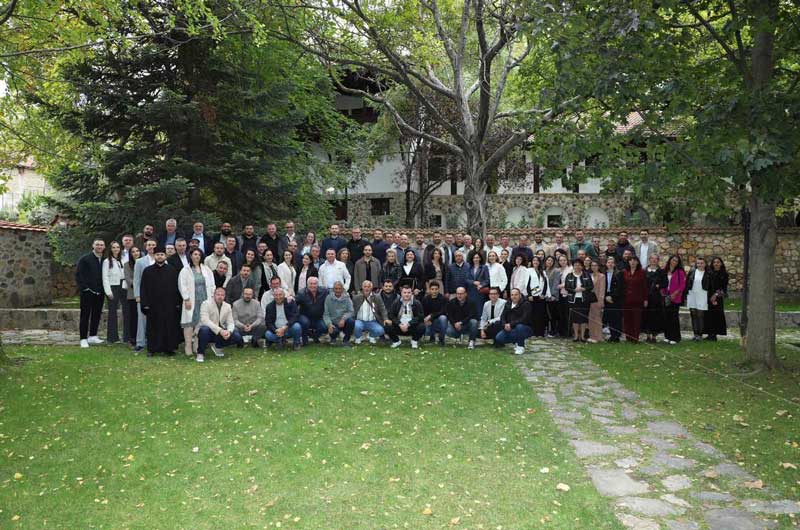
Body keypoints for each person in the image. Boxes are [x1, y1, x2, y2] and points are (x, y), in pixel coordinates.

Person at [139, 245, 182, 356]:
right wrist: (145, 304)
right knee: (153, 327)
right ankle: (152, 349)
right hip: (153, 305)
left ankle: (169, 348)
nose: (160, 256)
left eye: (162, 254)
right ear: (154, 256)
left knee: (169, 326)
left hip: (169, 304)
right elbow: (143, 288)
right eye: (157, 254)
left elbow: (177, 288)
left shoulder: (172, 270)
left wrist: (177, 303)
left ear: (165, 256)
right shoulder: (148, 271)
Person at [178, 248, 216, 356]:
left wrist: (212, 297)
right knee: (189, 323)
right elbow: (182, 285)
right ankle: (188, 345)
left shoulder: (206, 269)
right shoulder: (186, 270)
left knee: (201, 322)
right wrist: (186, 299)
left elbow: (212, 284)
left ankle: (197, 345)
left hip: (204, 299)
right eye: (195, 254)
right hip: (191, 300)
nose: (197, 256)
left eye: (199, 254)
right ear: (191, 256)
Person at [196, 287, 243, 362]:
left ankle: (217, 346)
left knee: (236, 335)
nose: (220, 297)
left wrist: (229, 331)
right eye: (218, 294)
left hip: (220, 332)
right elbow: (205, 320)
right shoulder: (205, 304)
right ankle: (200, 353)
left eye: (222, 295)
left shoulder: (227, 306)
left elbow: (230, 322)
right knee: (204, 329)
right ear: (214, 295)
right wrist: (220, 330)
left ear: (224, 296)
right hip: (208, 330)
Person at [76, 239, 107, 348]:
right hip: (87, 292)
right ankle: (83, 339)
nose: (99, 246)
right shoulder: (85, 259)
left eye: (101, 245)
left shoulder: (105, 260)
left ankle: (93, 336)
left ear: (104, 247)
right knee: (85, 315)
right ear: (93, 246)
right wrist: (85, 289)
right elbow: (79, 275)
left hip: (100, 292)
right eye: (97, 244)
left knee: (96, 314)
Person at [133, 239, 156, 352]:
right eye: (149, 245)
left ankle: (155, 341)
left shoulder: (162, 260)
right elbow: (136, 280)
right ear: (146, 247)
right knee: (142, 319)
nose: (151, 247)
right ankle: (140, 342)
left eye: (153, 245)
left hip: (158, 295)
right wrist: (137, 295)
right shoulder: (140, 262)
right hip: (144, 295)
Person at [494, 288, 532, 355]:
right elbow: (502, 316)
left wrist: (511, 324)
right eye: (512, 295)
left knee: (519, 327)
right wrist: (505, 325)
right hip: (511, 328)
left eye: (516, 295)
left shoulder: (526, 304)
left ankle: (520, 346)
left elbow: (524, 319)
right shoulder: (508, 303)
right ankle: (517, 341)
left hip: (525, 328)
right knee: (499, 338)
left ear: (520, 295)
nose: (514, 296)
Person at [564, 258, 594, 343]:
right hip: (573, 300)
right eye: (575, 265)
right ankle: (576, 336)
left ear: (582, 266)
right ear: (573, 266)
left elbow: (591, 286)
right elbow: (566, 287)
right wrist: (574, 290)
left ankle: (583, 336)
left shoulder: (586, 275)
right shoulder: (569, 276)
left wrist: (584, 289)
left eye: (579, 265)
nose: (577, 267)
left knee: (584, 318)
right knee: (575, 319)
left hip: (584, 299)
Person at [102, 241, 125, 344]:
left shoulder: (122, 260)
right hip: (112, 287)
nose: (116, 249)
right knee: (112, 312)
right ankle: (112, 337)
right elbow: (105, 277)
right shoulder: (107, 261)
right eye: (114, 247)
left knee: (125, 311)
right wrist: (108, 291)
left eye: (118, 247)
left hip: (122, 286)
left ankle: (126, 336)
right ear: (110, 249)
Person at [351, 280, 389, 345]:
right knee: (356, 326)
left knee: (381, 330)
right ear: (362, 287)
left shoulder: (377, 297)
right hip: (359, 321)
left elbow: (382, 309)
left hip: (372, 321)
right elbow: (352, 309)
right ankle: (358, 337)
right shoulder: (356, 297)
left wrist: (385, 319)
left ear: (371, 288)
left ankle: (371, 336)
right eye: (365, 286)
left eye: (368, 287)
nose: (366, 288)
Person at [622, 255, 648, 343]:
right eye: (630, 260)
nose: (632, 262)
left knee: (636, 319)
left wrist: (645, 299)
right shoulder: (624, 272)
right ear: (628, 262)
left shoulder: (642, 272)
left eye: (634, 260)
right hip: (626, 300)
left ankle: (635, 337)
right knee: (627, 319)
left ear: (637, 262)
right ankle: (628, 337)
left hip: (638, 300)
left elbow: (644, 286)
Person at [296, 277, 328, 344]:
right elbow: (294, 304)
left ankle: (315, 336)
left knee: (324, 327)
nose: (313, 286)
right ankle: (304, 338)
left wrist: (344, 293)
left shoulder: (324, 291)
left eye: (315, 284)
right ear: (307, 284)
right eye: (311, 284)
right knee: (305, 322)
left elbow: (333, 294)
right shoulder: (301, 293)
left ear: (318, 284)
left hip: (318, 317)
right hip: (305, 316)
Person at [643, 254, 667, 343]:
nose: (654, 260)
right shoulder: (644, 271)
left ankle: (654, 336)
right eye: (652, 258)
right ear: (649, 260)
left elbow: (665, 283)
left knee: (655, 317)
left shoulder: (661, 272)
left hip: (656, 297)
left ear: (658, 260)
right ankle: (647, 336)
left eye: (656, 259)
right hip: (646, 297)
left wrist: (659, 285)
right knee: (646, 316)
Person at [662, 255, 686, 344]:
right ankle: (667, 336)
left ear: (678, 263)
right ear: (670, 260)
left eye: (676, 261)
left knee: (674, 318)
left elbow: (683, 285)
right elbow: (662, 282)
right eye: (673, 260)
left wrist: (675, 293)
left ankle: (675, 337)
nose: (674, 262)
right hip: (666, 296)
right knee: (666, 317)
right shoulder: (665, 270)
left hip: (675, 297)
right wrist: (662, 293)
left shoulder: (680, 272)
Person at [685, 257, 710, 341]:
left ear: (705, 264)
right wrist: (686, 293)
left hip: (702, 295)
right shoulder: (692, 271)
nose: (699, 265)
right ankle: (695, 334)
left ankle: (700, 334)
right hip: (692, 294)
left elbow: (710, 285)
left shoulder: (708, 273)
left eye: (702, 263)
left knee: (700, 315)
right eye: (698, 263)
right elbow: (687, 282)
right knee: (693, 314)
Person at [323, 281, 354, 346]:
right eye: (336, 288)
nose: (338, 290)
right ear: (333, 289)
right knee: (333, 331)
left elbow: (351, 311)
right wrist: (329, 324)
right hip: (333, 322)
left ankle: (346, 340)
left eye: (340, 288)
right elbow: (326, 314)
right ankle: (333, 338)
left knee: (351, 321)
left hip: (344, 322)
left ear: (342, 289)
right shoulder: (328, 298)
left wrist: (343, 319)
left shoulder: (347, 298)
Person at [705, 257, 728, 341]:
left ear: (721, 264)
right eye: (714, 262)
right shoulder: (709, 273)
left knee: (716, 316)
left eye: (718, 262)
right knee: (708, 316)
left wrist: (715, 295)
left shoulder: (724, 274)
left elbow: (723, 288)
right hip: (708, 297)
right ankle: (709, 334)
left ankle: (714, 335)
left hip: (718, 297)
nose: (716, 264)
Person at [603, 256, 625, 343]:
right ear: (606, 264)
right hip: (606, 297)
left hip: (615, 298)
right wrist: (605, 296)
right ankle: (612, 334)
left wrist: (612, 296)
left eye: (612, 262)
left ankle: (616, 336)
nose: (610, 264)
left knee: (616, 318)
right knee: (609, 317)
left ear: (615, 264)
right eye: (608, 262)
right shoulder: (604, 273)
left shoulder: (619, 273)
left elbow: (620, 287)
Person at [526, 256, 549, 337]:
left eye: (537, 260)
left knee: (541, 315)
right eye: (534, 260)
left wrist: (543, 294)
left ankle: (540, 333)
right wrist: (529, 294)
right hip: (532, 297)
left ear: (539, 262)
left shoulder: (543, 272)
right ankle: (532, 332)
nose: (535, 262)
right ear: (532, 262)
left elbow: (546, 284)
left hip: (541, 297)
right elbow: (527, 283)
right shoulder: (528, 270)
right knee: (532, 315)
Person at [123, 247, 140, 346]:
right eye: (133, 252)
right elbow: (128, 279)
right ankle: (132, 338)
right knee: (133, 317)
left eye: (137, 251)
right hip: (132, 294)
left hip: (144, 294)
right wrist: (138, 285)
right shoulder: (127, 265)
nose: (135, 253)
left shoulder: (143, 263)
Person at [587, 259, 605, 343]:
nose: (594, 267)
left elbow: (602, 289)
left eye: (595, 265)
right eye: (592, 265)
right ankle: (592, 336)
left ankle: (598, 337)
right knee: (590, 318)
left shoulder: (602, 276)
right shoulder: (589, 275)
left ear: (598, 266)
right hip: (590, 299)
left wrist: (601, 301)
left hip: (597, 299)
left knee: (597, 318)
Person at [555, 254, 572, 338]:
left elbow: (570, 281)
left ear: (567, 260)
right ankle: (561, 331)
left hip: (567, 293)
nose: (562, 262)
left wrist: (561, 286)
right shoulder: (558, 270)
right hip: (559, 294)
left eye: (564, 260)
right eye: (561, 260)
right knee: (560, 313)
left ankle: (567, 332)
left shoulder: (570, 269)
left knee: (567, 313)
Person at [544, 256, 560, 337]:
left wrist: (553, 295)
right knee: (546, 315)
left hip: (552, 297)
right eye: (548, 260)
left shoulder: (556, 271)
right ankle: (547, 330)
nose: (549, 262)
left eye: (551, 260)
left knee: (553, 315)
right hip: (545, 296)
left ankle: (553, 331)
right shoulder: (544, 271)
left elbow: (556, 283)